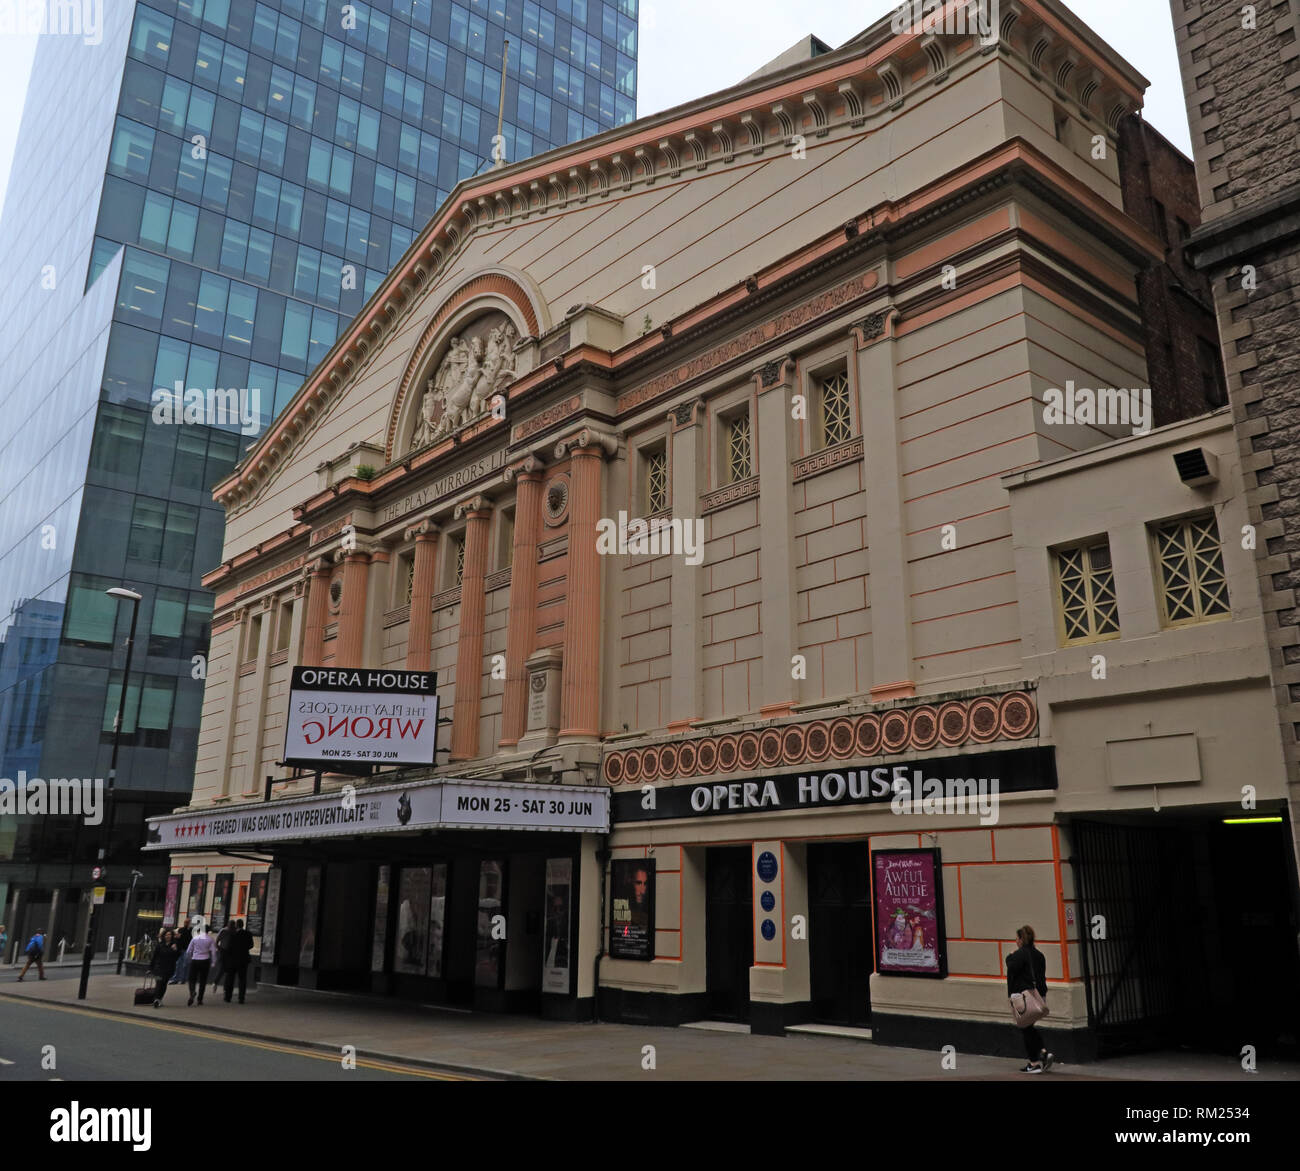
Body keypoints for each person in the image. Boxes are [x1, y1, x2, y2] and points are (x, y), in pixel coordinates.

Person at [1006, 924, 1055, 1073]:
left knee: (1024, 1027)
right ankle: (1043, 1053)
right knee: (1028, 1027)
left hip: (1024, 998)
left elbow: (1011, 968)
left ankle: (1034, 1063)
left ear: (1021, 939)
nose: (1015, 941)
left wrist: (1010, 956)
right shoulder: (1039, 955)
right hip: (1038, 997)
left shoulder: (1019, 955)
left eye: (1017, 938)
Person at [223, 919, 254, 1003]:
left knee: (230, 978)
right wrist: (244, 949)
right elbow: (251, 945)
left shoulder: (233, 934)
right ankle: (241, 998)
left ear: (237, 925)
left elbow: (228, 946)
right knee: (242, 979)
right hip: (244, 959)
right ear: (243, 925)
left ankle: (228, 997)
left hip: (233, 960)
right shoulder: (248, 934)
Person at [186, 923, 216, 1005]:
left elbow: (188, 951)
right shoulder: (210, 939)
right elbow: (213, 952)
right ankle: (200, 999)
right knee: (203, 980)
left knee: (192, 979)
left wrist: (189, 959)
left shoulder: (195, 938)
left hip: (195, 960)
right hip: (205, 960)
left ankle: (192, 992)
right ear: (208, 930)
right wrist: (213, 962)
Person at [150, 930, 180, 1008]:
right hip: (158, 968)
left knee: (163, 984)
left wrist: (175, 950)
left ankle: (159, 999)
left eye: (170, 934)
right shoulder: (159, 945)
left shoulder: (174, 945)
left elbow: (176, 958)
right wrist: (150, 968)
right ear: (164, 936)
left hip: (169, 968)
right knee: (158, 983)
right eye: (166, 935)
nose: (168, 936)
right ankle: (156, 999)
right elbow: (154, 957)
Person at [171, 921, 193, 985]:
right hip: (180, 949)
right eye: (185, 922)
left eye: (187, 923)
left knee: (185, 965)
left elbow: (191, 939)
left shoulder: (191, 930)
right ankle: (175, 979)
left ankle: (183, 979)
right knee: (178, 964)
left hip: (187, 949)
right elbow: (177, 937)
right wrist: (177, 937)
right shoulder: (181, 929)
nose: (186, 924)